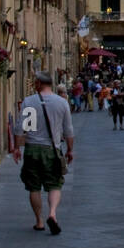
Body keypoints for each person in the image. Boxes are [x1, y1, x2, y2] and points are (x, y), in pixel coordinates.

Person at [13, 72, 74, 234]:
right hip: (52, 149)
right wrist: (70, 150)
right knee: (54, 184)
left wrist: (17, 148)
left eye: (35, 82)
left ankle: (39, 221)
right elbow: (68, 130)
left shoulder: (29, 102)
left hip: (32, 148)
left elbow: (22, 127)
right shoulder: (62, 102)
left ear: (39, 83)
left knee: (34, 187)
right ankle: (52, 214)